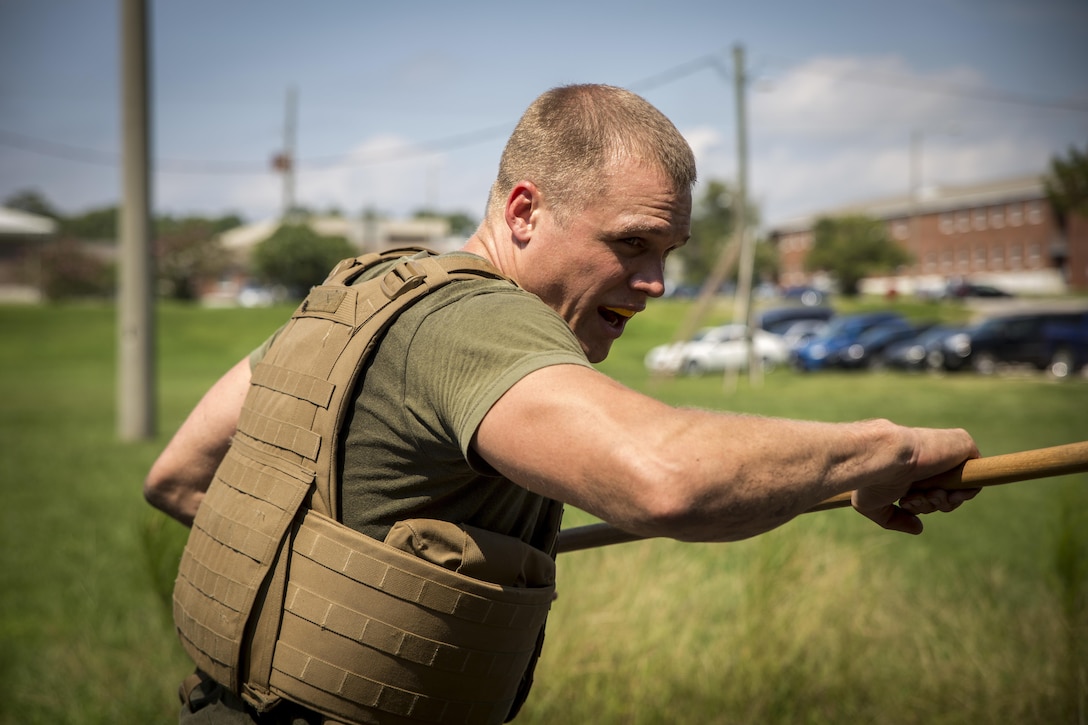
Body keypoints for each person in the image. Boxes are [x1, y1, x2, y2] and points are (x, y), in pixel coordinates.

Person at [145, 84, 979, 724]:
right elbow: (668, 482)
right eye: (631, 243)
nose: (654, 284)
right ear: (524, 210)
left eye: (669, 252)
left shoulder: (364, 294)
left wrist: (342, 577)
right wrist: (887, 448)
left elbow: (180, 475)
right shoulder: (478, 321)